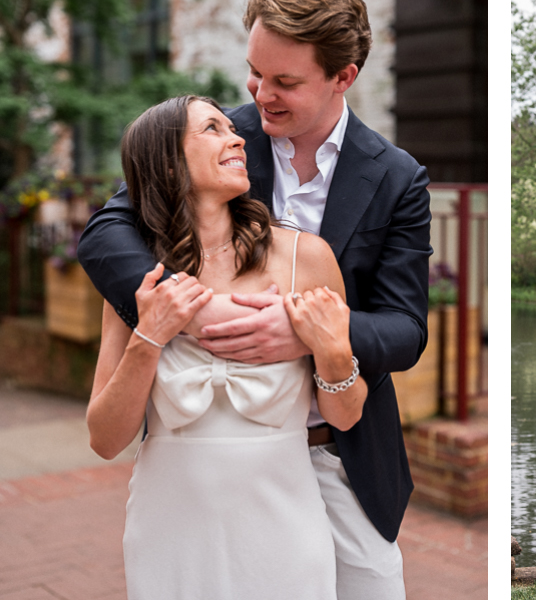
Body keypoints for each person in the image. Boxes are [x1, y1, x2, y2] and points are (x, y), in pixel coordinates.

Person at [78, 0, 431, 599]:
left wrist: (308, 334)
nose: (260, 94)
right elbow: (107, 229)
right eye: (255, 72)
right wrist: (194, 314)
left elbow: (406, 330)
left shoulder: (397, 177)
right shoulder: (219, 138)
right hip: (195, 478)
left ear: (342, 77)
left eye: (285, 81)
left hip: (338, 445)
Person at [88, 95, 363, 597]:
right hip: (167, 526)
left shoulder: (307, 258)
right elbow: (105, 439)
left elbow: (344, 416)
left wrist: (333, 351)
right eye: (212, 129)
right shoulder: (142, 282)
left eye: (229, 128)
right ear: (168, 162)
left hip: (285, 522)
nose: (237, 136)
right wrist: (149, 337)